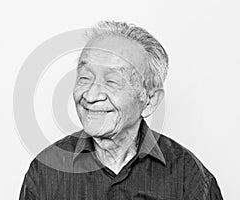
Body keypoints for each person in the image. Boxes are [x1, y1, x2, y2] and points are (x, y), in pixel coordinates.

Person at [19, 21, 223, 200]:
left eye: (112, 81)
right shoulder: (45, 170)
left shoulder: (189, 177)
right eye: (85, 77)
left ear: (150, 100)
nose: (90, 96)